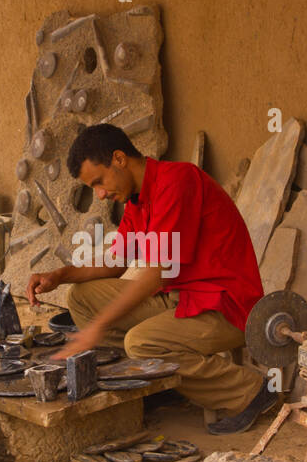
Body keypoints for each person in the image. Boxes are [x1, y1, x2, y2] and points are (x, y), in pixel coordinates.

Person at [28, 123, 278, 434]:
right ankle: (154, 382)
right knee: (81, 297)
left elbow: (158, 275)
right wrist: (60, 275)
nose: (101, 195)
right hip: (183, 298)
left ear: (119, 159)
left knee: (142, 342)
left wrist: (98, 327)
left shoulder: (177, 181)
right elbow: (116, 262)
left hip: (225, 306)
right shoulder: (136, 199)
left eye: (99, 182)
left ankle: (252, 391)